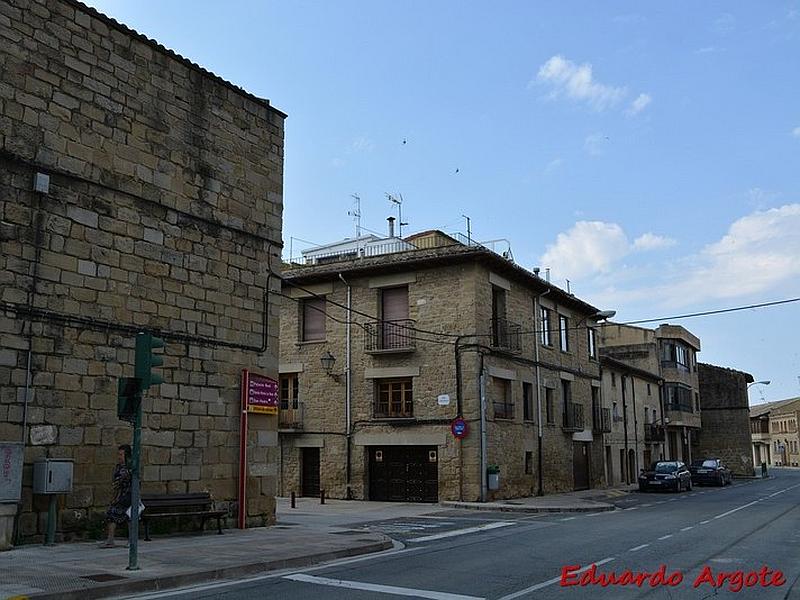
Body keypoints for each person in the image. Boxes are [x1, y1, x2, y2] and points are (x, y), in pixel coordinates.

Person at [100, 444, 132, 548]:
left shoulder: (131, 467)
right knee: (111, 514)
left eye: (121, 454)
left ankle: (131, 540)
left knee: (130, 516)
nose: (119, 456)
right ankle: (110, 540)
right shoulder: (119, 467)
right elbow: (115, 482)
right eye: (118, 454)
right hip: (120, 496)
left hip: (130, 495)